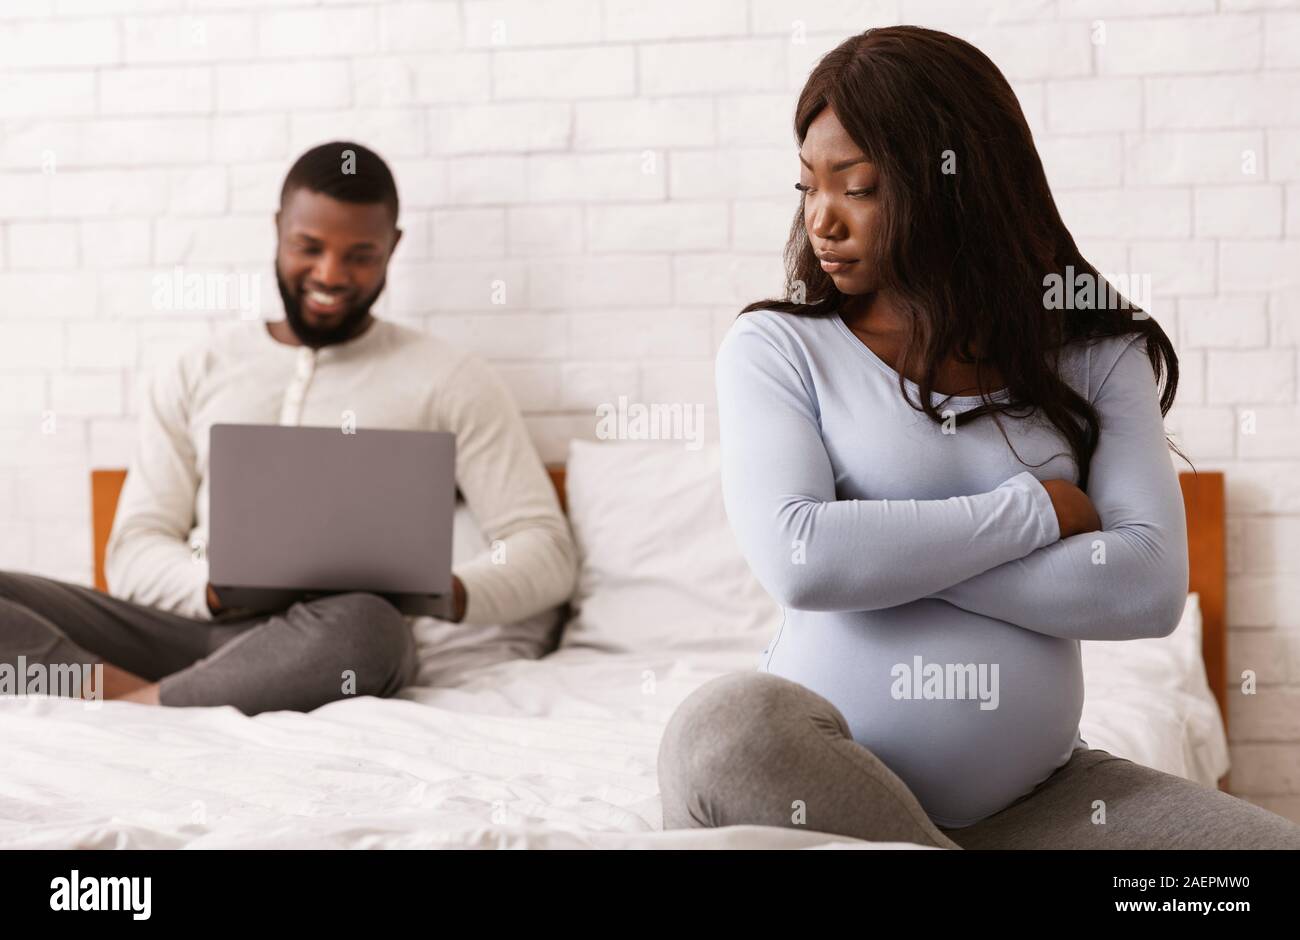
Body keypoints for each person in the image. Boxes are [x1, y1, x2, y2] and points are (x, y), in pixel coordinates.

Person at [657, 26, 1300, 849]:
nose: (821, 220)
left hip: (1048, 803)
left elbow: (1145, 589)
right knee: (725, 725)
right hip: (821, 788)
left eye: (857, 188)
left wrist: (887, 556)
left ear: (955, 185)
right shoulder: (781, 349)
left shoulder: (1098, 354)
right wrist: (1030, 513)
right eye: (807, 186)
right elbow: (804, 559)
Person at [0, 141, 578, 716]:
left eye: (360, 255)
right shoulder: (198, 370)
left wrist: (443, 592)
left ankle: (138, 707)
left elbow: (543, 547)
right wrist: (211, 588)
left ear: (393, 247)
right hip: (186, 630)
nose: (330, 275)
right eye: (309, 247)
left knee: (366, 628)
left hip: (332, 640)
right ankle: (150, 701)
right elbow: (134, 548)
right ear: (278, 229)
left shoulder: (451, 378)